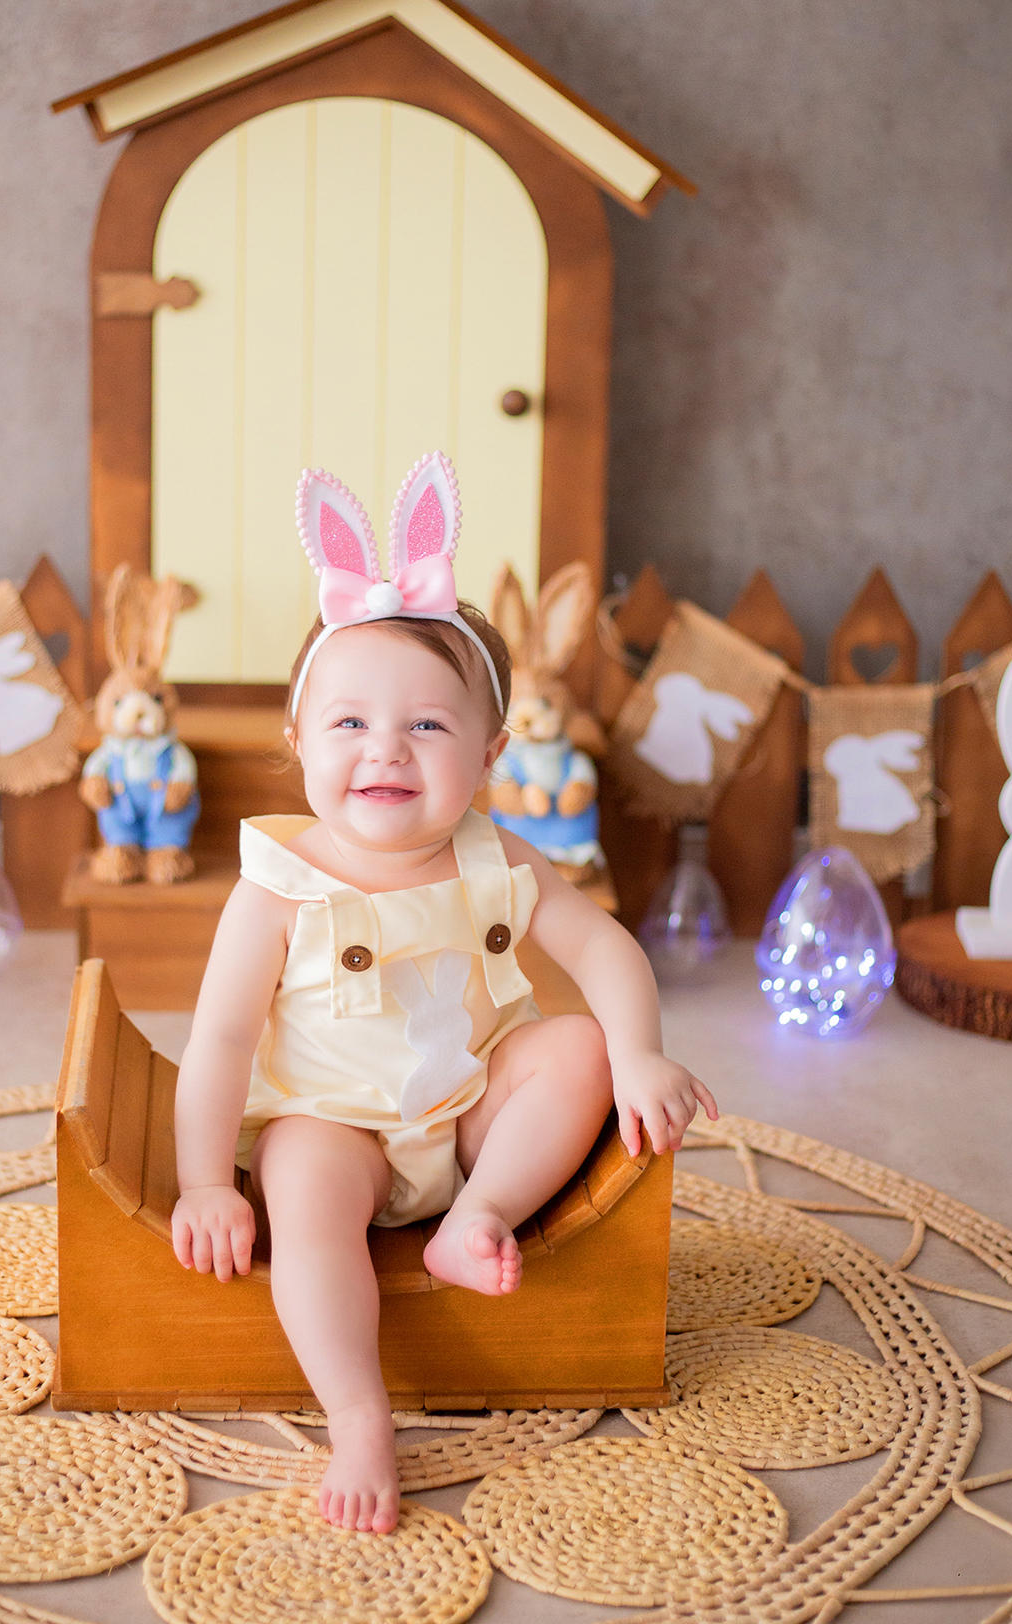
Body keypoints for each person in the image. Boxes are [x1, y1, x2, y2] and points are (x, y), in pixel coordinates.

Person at [171, 453, 718, 1538]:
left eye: (427, 726)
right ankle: (360, 1415)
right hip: (332, 1125)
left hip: (467, 1113)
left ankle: (477, 1220)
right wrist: (202, 1183)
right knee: (307, 1195)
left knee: (575, 1050)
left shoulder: (495, 853)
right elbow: (222, 1040)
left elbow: (604, 950)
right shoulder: (279, 883)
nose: (387, 749)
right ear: (297, 743)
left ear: (491, 754)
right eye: (349, 725)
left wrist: (642, 1051)